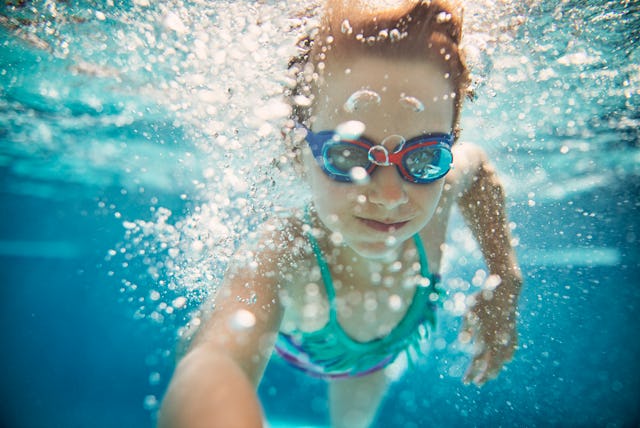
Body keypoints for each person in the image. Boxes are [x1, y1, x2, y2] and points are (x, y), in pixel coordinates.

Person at [158, 0, 522, 426]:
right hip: (315, 339)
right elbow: (217, 366)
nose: (389, 194)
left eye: (424, 157)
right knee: (203, 342)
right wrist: (204, 371)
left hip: (376, 357)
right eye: (349, 153)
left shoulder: (440, 195)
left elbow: (476, 170)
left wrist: (507, 280)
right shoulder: (287, 253)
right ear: (300, 153)